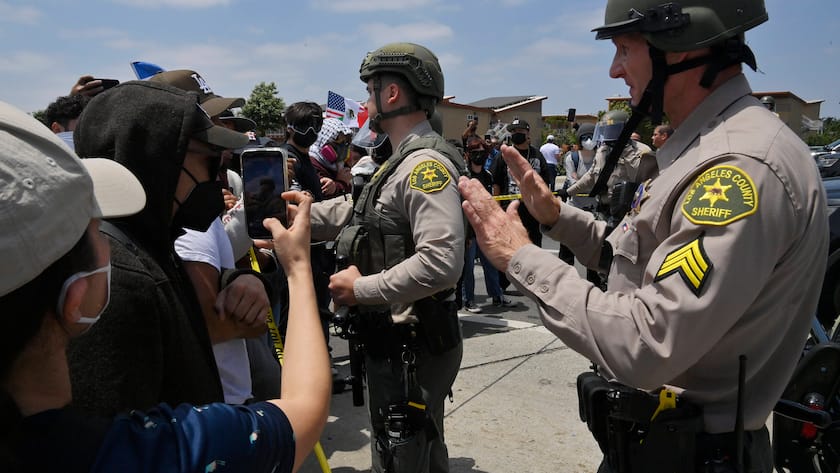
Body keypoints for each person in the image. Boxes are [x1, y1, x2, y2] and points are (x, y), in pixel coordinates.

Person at [458, 0, 828, 471]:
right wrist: (556, 217)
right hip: (660, 446)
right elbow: (636, 262)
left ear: (678, 47)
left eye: (624, 49)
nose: (615, 70)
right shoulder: (706, 149)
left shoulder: (740, 168)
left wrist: (521, 257)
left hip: (691, 455)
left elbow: (647, 342)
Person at [0, 100, 330, 473]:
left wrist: (236, 278)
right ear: (75, 295)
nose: (108, 241)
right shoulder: (139, 448)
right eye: (94, 227)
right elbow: (303, 412)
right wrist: (298, 267)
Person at [66, 81, 271, 417]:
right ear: (159, 163)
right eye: (209, 163)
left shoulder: (153, 244)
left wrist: (240, 278)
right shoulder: (119, 276)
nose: (216, 178)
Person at [306, 42, 465, 473]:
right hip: (399, 340)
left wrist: (359, 289)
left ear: (392, 94)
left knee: (405, 454)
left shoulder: (423, 165)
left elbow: (440, 261)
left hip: (411, 342)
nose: (364, 101)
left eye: (370, 90)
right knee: (411, 449)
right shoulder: (398, 161)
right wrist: (301, 216)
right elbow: (365, 215)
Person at [559, 109, 657, 231]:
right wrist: (568, 192)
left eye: (614, 129)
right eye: (607, 129)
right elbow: (590, 176)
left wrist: (626, 150)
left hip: (628, 214)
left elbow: (639, 176)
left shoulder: (642, 151)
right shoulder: (602, 151)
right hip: (603, 211)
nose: (609, 133)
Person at [461, 137, 506, 313]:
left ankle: (496, 296)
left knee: (491, 264)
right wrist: (465, 235)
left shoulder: (487, 176)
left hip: (485, 229)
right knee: (469, 268)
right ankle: (469, 300)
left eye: (482, 152)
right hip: (469, 231)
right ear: (468, 155)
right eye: (475, 152)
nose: (479, 155)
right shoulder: (464, 178)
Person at [490, 118, 549, 247]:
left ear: (528, 133)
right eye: (514, 131)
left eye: (520, 131)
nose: (516, 133)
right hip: (510, 209)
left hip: (533, 213)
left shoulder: (536, 155)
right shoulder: (504, 155)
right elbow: (496, 183)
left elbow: (546, 182)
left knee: (533, 248)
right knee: (512, 248)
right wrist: (497, 209)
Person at [309, 117, 354, 198]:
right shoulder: (313, 164)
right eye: (339, 142)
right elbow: (324, 194)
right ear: (323, 140)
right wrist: (341, 182)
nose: (343, 147)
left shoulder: (338, 165)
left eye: (346, 142)